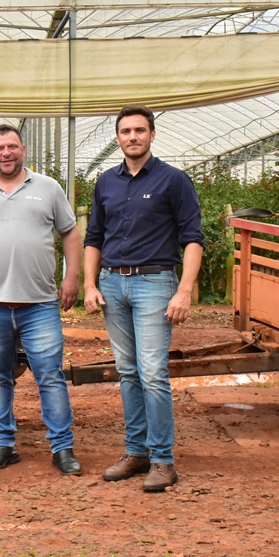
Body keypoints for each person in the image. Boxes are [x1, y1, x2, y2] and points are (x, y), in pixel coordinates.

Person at [0, 124, 83, 476]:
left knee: (49, 376)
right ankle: (3, 445)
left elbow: (70, 232)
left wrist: (72, 276)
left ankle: (62, 448)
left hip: (39, 304)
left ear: (22, 150)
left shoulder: (48, 188)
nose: (5, 153)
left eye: (11, 147)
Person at [83, 105, 204, 493]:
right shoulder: (106, 182)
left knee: (153, 373)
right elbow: (94, 238)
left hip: (155, 283)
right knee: (128, 371)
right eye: (125, 131)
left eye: (139, 130)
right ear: (117, 138)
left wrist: (184, 290)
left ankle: (163, 461)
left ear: (152, 135)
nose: (132, 137)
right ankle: (136, 452)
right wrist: (90, 284)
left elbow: (192, 238)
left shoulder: (174, 180)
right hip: (113, 285)